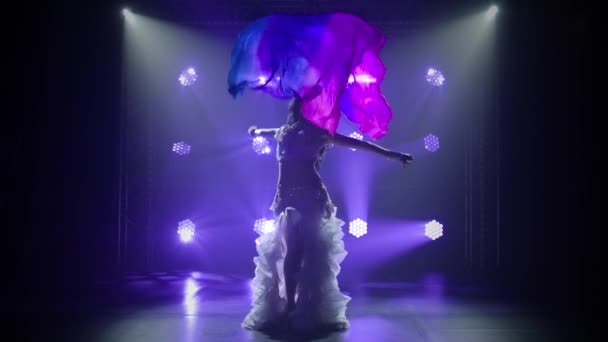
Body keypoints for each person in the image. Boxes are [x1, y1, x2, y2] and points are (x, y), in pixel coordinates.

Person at [241, 98, 412, 333]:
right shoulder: (283, 131)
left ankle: (301, 305)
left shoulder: (320, 133)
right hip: (285, 197)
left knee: (302, 250)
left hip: (310, 196)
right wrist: (255, 131)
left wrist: (392, 154)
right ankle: (292, 304)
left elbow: (358, 144)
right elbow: (265, 132)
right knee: (291, 251)